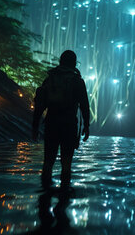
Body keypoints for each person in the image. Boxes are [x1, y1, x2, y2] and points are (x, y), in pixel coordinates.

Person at [32, 50, 90, 190]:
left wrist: (35, 127)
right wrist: (86, 127)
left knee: (48, 162)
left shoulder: (49, 79)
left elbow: (40, 106)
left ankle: (44, 198)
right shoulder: (77, 81)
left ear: (60, 62)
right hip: (69, 125)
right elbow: (84, 106)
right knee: (66, 164)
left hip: (51, 123)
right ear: (74, 63)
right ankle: (63, 199)